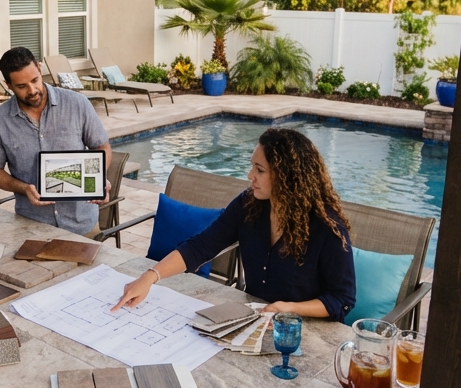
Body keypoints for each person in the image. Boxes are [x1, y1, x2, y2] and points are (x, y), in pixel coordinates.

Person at [113, 127, 356, 320]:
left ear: (287, 177)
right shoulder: (249, 205)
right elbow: (201, 246)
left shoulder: (327, 227)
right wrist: (150, 277)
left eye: (259, 170)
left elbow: (342, 299)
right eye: (252, 166)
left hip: (306, 330)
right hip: (256, 319)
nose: (250, 175)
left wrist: (289, 308)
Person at [0, 46, 112, 236]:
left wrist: (98, 178)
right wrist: (23, 188)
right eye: (21, 86)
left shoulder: (77, 104)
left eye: (35, 80)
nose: (32, 90)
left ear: (40, 68)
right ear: (8, 85)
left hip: (82, 225)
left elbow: (102, 146)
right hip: (31, 226)